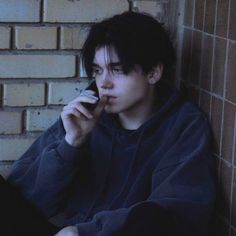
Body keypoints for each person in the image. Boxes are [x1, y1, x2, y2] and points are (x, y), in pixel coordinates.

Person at [2, 11, 215, 236]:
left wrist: (83, 232)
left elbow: (176, 213)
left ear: (153, 72)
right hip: (59, 232)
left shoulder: (183, 125)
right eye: (97, 71)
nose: (104, 83)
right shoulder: (86, 114)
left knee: (152, 217)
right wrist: (70, 145)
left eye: (117, 70)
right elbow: (26, 196)